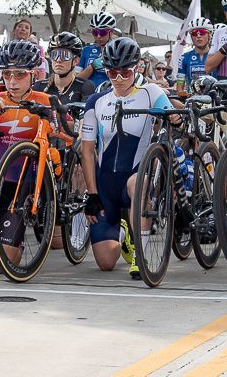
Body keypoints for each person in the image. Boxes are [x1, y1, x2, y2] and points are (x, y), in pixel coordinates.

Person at [80, 36, 170, 278]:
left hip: (135, 178)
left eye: (125, 73)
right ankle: (124, 231)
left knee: (135, 184)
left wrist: (176, 117)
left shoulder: (151, 92)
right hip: (106, 184)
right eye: (112, 73)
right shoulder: (97, 101)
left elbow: (173, 116)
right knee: (106, 263)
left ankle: (140, 255)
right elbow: (87, 150)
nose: (118, 79)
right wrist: (92, 194)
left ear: (137, 67)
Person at [0, 40, 54, 271]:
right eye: (7, 75)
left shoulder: (44, 100)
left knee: (0, 264)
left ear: (34, 74)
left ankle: (18, 235)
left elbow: (67, 134)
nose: (12, 81)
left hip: (23, 185)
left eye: (20, 74)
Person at [35, 32, 95, 107]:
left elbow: (85, 116)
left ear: (76, 61)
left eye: (65, 55)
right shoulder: (38, 86)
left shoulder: (85, 86)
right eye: (55, 54)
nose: (59, 60)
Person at [78, 12, 118, 89]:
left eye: (102, 32)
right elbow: (76, 80)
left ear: (111, 32)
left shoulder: (118, 51)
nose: (98, 36)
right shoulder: (86, 50)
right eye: (95, 32)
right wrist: (92, 66)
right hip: (88, 95)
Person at [177, 17, 214, 90]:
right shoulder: (184, 57)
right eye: (194, 33)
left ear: (210, 35)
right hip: (193, 98)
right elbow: (179, 87)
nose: (198, 36)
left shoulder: (217, 56)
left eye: (202, 32)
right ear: (191, 37)